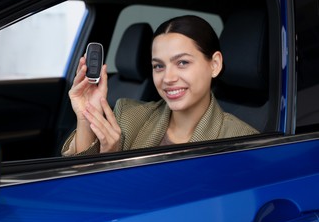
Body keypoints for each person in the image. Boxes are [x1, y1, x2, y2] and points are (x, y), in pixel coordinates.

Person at [61, 15, 258, 156]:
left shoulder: (245, 142)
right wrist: (87, 113)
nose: (168, 78)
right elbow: (79, 186)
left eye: (182, 63)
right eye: (158, 66)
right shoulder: (127, 116)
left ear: (214, 64)